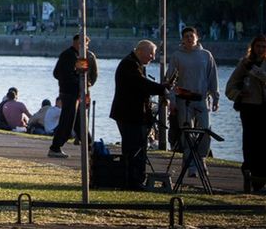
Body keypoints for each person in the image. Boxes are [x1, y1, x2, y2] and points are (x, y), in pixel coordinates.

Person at [111, 39, 170, 189]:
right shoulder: (129, 64)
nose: (153, 57)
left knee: (137, 148)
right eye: (151, 53)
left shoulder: (136, 64)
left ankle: (136, 179)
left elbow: (142, 85)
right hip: (129, 114)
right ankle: (133, 181)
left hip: (133, 114)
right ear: (140, 51)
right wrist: (161, 89)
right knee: (134, 149)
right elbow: (141, 84)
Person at [168, 26, 219, 171]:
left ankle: (201, 158)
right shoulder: (177, 56)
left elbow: (212, 77)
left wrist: (215, 97)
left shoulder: (206, 55)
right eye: (186, 36)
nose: (189, 39)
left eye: (191, 36)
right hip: (183, 100)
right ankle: (188, 161)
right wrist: (172, 99)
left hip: (201, 99)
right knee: (186, 131)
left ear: (197, 37)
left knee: (205, 130)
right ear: (182, 40)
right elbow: (170, 80)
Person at [224, 34, 266, 193]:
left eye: (264, 47)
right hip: (250, 108)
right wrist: (239, 94)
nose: (261, 49)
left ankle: (262, 176)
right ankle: (250, 175)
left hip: (265, 108)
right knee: (250, 143)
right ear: (253, 47)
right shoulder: (245, 64)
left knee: (264, 143)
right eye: (258, 46)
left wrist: (256, 72)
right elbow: (230, 86)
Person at [49, 33, 98, 158]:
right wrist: (77, 82)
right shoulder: (68, 55)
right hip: (69, 92)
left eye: (87, 45)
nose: (86, 47)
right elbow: (60, 73)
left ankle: (90, 145)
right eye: (84, 44)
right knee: (67, 120)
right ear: (77, 43)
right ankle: (55, 147)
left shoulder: (80, 57)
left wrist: (85, 86)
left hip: (78, 93)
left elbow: (85, 76)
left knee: (79, 121)